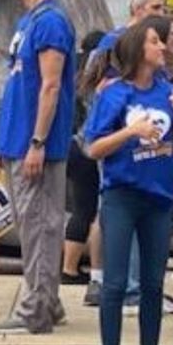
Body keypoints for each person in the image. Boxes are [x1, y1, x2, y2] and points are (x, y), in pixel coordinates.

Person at [85, 19, 173, 345]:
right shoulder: (115, 93)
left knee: (153, 286)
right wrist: (131, 132)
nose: (163, 47)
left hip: (158, 200)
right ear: (138, 49)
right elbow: (93, 148)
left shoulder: (169, 92)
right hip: (122, 196)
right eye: (155, 41)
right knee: (115, 284)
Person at [0, 0, 76, 335]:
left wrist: (38, 142)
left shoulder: (51, 22)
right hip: (17, 141)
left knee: (41, 226)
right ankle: (49, 301)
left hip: (37, 146)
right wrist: (5, 139)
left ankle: (36, 311)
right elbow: (19, 85)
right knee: (31, 226)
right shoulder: (29, 21)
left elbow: (50, 86)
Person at [66, 29, 107, 304]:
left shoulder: (76, 75)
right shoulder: (100, 83)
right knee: (93, 212)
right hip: (89, 149)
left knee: (82, 208)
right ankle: (92, 271)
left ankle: (68, 268)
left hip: (71, 146)